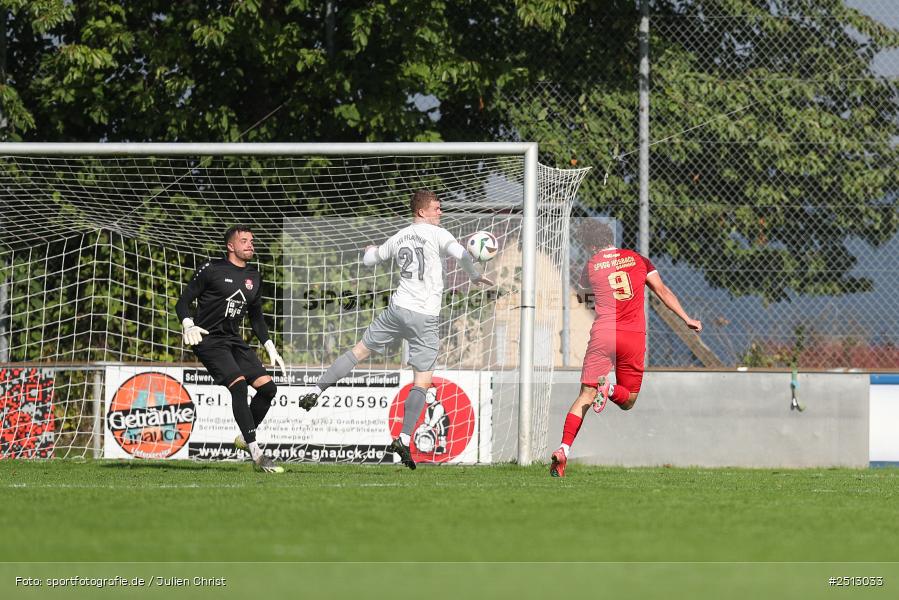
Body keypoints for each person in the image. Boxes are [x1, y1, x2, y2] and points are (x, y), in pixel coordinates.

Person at [298, 190, 491, 469]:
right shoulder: (439, 234)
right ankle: (402, 437)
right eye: (436, 208)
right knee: (422, 382)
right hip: (424, 317)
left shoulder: (400, 236)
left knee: (358, 352)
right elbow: (461, 253)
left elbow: (370, 260)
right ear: (422, 212)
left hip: (397, 311)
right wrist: (474, 274)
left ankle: (316, 390)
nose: (441, 212)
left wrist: (368, 252)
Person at [550, 221, 702, 477]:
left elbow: (585, 292)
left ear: (590, 245)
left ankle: (564, 448)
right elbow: (662, 291)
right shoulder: (639, 259)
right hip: (632, 335)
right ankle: (608, 388)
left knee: (584, 396)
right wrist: (686, 318)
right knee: (628, 400)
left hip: (603, 334)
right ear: (611, 238)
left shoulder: (591, 265)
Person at [176, 225, 290, 474]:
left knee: (268, 388)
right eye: (244, 241)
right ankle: (257, 454)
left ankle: (243, 437)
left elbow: (257, 317)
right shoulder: (211, 269)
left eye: (252, 240)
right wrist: (188, 324)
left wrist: (269, 346)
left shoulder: (254, 277)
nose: (251, 244)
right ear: (231, 246)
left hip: (233, 340)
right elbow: (182, 302)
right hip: (208, 340)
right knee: (238, 386)